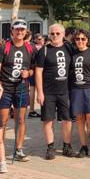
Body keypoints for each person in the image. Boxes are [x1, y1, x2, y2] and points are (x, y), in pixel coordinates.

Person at [0, 18, 37, 162]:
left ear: (25, 32)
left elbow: (33, 69)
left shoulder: (30, 48)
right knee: (3, 120)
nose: (19, 32)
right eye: (17, 29)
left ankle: (19, 149)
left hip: (21, 88)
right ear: (12, 31)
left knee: (20, 120)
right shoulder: (4, 47)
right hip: (5, 88)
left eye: (22, 30)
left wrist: (28, 74)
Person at [34, 23, 74, 159]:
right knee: (48, 120)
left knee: (67, 119)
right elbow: (38, 72)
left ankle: (67, 146)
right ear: (49, 35)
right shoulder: (43, 50)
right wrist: (40, 92)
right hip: (48, 91)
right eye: (52, 34)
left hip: (65, 91)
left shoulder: (69, 48)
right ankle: (50, 147)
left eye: (58, 33)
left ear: (63, 35)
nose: (55, 36)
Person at [69, 29, 90, 159]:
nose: (80, 41)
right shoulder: (73, 54)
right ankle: (83, 146)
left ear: (87, 40)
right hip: (76, 89)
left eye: (83, 39)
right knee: (79, 119)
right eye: (78, 39)